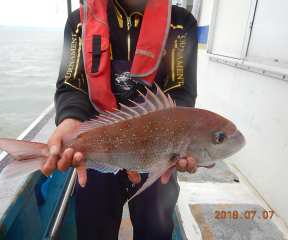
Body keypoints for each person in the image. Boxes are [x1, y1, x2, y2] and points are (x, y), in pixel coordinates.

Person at [41, 0, 214, 239]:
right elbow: (72, 84)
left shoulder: (180, 22)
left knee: (156, 230)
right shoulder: (79, 22)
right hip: (98, 146)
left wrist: (185, 139)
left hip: (158, 150)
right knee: (94, 228)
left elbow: (180, 91)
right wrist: (70, 120)